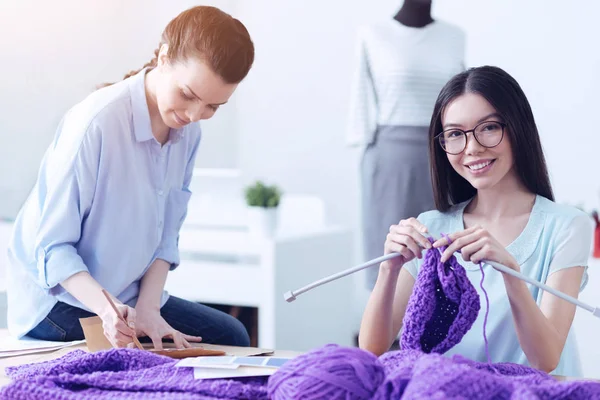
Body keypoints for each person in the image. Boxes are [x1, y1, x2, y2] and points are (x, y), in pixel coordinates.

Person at [7, 5, 255, 350]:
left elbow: (166, 236)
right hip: (61, 301)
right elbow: (51, 250)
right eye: (188, 95)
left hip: (127, 296)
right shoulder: (97, 123)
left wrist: (149, 309)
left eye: (213, 107)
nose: (194, 115)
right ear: (164, 58)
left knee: (232, 337)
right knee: (146, 357)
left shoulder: (188, 133)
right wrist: (108, 312)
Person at [359, 66, 593, 377]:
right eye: (455, 134)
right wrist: (389, 269)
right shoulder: (431, 227)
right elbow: (372, 349)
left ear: (518, 128)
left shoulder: (567, 226)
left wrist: (511, 275)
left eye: (488, 128)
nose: (472, 148)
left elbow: (546, 359)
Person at [346, 0, 465, 290]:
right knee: (394, 253)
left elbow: (462, 96)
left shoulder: (455, 36)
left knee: (443, 248)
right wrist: (361, 139)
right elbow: (360, 96)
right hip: (392, 159)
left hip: (446, 153)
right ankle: (389, 330)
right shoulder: (373, 34)